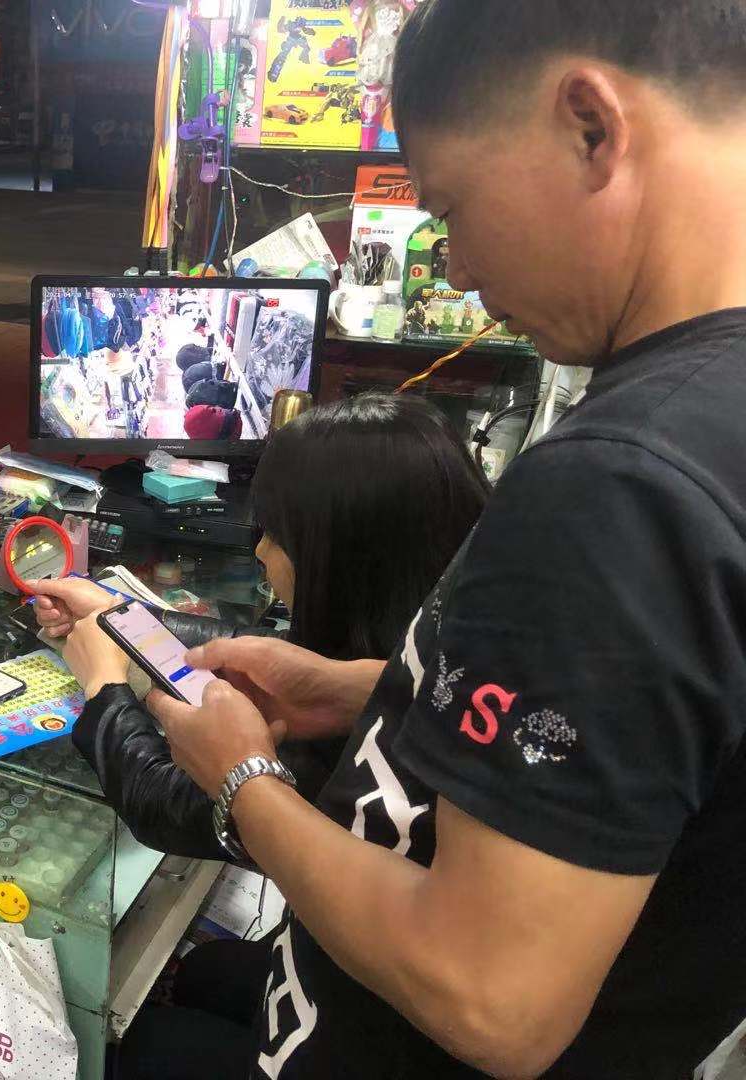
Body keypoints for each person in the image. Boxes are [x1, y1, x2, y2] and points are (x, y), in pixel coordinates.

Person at [67, 3, 746, 1076]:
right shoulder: (704, 425)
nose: (458, 268)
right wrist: (370, 692)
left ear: (591, 126)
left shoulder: (620, 484)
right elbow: (635, 743)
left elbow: (491, 997)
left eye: (453, 210)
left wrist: (242, 778)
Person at [31, 394, 489, 1076]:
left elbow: (167, 804)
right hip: (336, 982)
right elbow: (259, 659)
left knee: (147, 1046)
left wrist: (103, 687)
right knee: (212, 970)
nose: (260, 551)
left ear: (340, 557)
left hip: (364, 1044)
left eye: (275, 535)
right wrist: (123, 619)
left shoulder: (337, 750)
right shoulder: (445, 658)